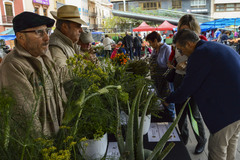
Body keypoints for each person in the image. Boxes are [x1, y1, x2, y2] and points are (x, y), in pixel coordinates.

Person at [164, 29, 240, 160]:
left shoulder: (199, 55)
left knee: (218, 149)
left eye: (181, 50)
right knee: (230, 145)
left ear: (189, 44)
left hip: (227, 113)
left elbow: (187, 89)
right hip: (235, 108)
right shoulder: (214, 46)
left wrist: (168, 99)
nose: (181, 54)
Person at [0, 12, 66, 137]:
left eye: (47, 31)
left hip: (58, 135)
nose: (47, 38)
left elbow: (59, 90)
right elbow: (26, 117)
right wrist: (42, 148)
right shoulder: (13, 65)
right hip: (39, 145)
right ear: (20, 37)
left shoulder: (43, 55)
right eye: (39, 32)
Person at [167, 14, 207, 154]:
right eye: (182, 29)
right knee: (180, 113)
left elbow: (204, 59)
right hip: (178, 78)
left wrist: (188, 63)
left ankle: (201, 140)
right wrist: (171, 62)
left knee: (194, 114)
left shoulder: (201, 41)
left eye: (187, 29)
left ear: (194, 30)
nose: (184, 33)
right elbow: (172, 55)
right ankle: (183, 139)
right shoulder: (176, 40)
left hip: (194, 80)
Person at [49, 5, 86, 81]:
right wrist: (86, 63)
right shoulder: (55, 45)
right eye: (78, 26)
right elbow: (63, 74)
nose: (81, 30)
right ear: (65, 27)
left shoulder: (70, 42)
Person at [146, 31, 175, 121]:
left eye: (150, 42)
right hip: (156, 79)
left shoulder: (166, 48)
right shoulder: (155, 50)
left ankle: (171, 119)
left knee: (168, 100)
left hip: (165, 79)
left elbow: (169, 65)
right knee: (161, 99)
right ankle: (166, 119)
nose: (150, 45)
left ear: (155, 40)